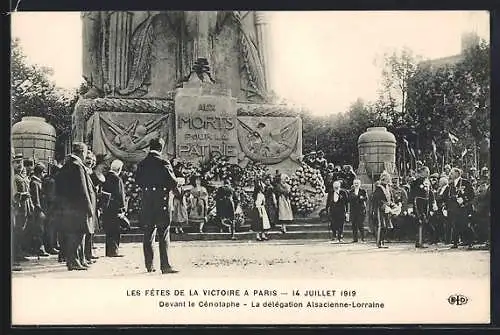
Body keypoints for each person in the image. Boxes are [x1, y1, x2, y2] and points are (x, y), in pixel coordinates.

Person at [135, 138, 180, 274]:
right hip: (161, 201)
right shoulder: (163, 162)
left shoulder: (142, 163)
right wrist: (178, 191)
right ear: (161, 147)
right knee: (163, 233)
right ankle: (165, 266)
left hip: (147, 201)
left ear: (150, 147)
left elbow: (138, 181)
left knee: (148, 232)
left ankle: (149, 265)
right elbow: (172, 181)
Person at [55, 142, 95, 271]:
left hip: (70, 206)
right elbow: (83, 190)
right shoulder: (77, 166)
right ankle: (73, 261)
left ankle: (79, 260)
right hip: (78, 206)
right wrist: (89, 207)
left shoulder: (68, 165)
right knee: (76, 235)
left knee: (77, 234)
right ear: (82, 152)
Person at [445, 167, 475, 249]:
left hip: (463, 207)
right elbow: (447, 196)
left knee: (465, 225)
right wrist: (446, 207)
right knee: (455, 225)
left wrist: (464, 200)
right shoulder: (450, 184)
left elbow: (472, 194)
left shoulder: (465, 182)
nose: (450, 174)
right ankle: (455, 243)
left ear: (457, 173)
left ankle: (470, 242)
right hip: (453, 208)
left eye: (452, 173)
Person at [102, 159, 127, 257]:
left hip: (107, 209)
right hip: (115, 209)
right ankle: (114, 251)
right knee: (115, 231)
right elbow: (120, 195)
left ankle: (109, 251)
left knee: (109, 231)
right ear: (119, 169)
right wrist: (122, 209)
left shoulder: (106, 177)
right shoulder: (117, 179)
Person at [12, 153, 33, 263]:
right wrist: (21, 195)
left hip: (26, 207)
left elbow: (28, 191)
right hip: (18, 208)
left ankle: (20, 252)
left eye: (21, 162)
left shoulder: (23, 177)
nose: (19, 165)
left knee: (22, 231)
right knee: (17, 231)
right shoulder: (14, 178)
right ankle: (15, 255)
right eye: (17, 163)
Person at [27, 162, 50, 257]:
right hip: (38, 210)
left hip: (39, 209)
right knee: (39, 230)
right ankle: (39, 249)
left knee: (40, 229)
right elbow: (36, 198)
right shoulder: (35, 183)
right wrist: (39, 210)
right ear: (40, 173)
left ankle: (39, 248)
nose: (44, 175)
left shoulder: (37, 182)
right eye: (43, 172)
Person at [411, 172, 437, 248]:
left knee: (425, 221)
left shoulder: (427, 181)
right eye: (426, 172)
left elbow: (430, 193)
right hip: (419, 203)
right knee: (420, 220)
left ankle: (420, 241)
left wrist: (433, 203)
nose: (428, 174)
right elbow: (412, 193)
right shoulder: (417, 182)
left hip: (426, 204)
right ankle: (419, 242)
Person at [371, 172, 396, 248]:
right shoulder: (379, 188)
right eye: (386, 178)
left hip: (386, 209)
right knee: (381, 226)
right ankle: (379, 242)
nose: (388, 180)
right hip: (380, 209)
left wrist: (392, 204)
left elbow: (390, 198)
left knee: (387, 226)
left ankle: (382, 241)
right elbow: (376, 199)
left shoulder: (388, 188)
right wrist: (384, 205)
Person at [41, 163, 61, 255]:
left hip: (47, 207)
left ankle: (52, 245)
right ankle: (50, 247)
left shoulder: (47, 179)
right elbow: (51, 197)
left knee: (51, 228)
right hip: (51, 208)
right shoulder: (52, 181)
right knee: (51, 228)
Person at [436, 176, 450, 244]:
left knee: (446, 224)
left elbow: (447, 198)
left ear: (444, 182)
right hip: (438, 208)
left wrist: (445, 207)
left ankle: (447, 240)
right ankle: (440, 238)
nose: (439, 183)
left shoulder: (448, 188)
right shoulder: (439, 189)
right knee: (440, 224)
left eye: (440, 182)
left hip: (445, 208)